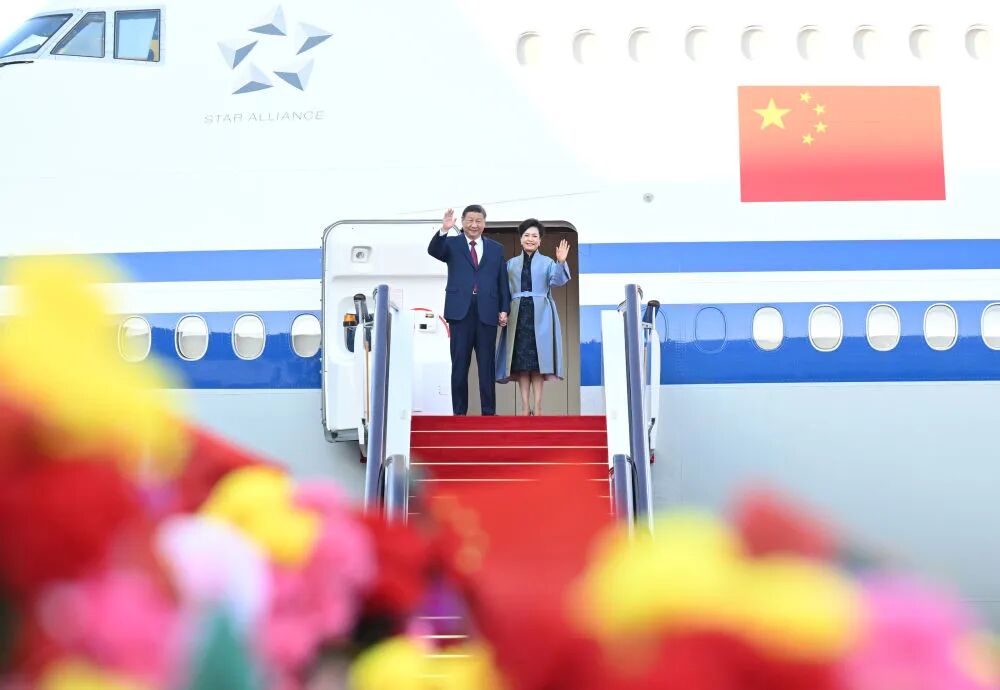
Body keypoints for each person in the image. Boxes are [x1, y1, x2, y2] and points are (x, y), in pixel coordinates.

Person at [428, 205, 511, 416]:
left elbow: (502, 281)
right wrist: (444, 229)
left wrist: (504, 308)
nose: (474, 225)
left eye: (478, 221)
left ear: (484, 223)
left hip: (487, 312)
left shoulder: (496, 248)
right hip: (460, 313)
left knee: (487, 366)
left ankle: (489, 412)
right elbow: (434, 251)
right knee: (459, 365)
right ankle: (459, 413)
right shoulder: (451, 244)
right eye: (470, 220)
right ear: (463, 221)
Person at [496, 219, 571, 415]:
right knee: (522, 364)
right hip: (517, 316)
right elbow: (503, 291)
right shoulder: (510, 264)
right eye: (527, 235)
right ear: (521, 239)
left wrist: (561, 262)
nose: (530, 239)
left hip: (542, 315)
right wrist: (502, 311)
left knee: (538, 363)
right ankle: (524, 406)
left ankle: (537, 406)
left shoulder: (547, 262)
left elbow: (557, 281)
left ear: (540, 241)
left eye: (534, 236)